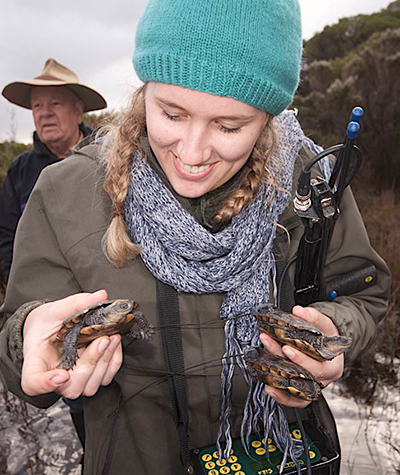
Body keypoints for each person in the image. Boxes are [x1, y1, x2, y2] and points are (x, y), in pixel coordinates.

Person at [0, 1, 390, 474]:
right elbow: (15, 340)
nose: (192, 153)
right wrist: (29, 341)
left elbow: (363, 294)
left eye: (229, 126)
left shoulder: (311, 185)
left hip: (288, 456)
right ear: (145, 90)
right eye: (172, 113)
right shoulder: (64, 193)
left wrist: (330, 332)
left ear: (268, 117)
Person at [0, 58, 107, 282]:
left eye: (55, 103)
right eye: (37, 105)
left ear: (78, 112)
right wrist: (19, 289)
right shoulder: (20, 170)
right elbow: (6, 236)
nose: (45, 113)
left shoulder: (108, 160)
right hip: (41, 294)